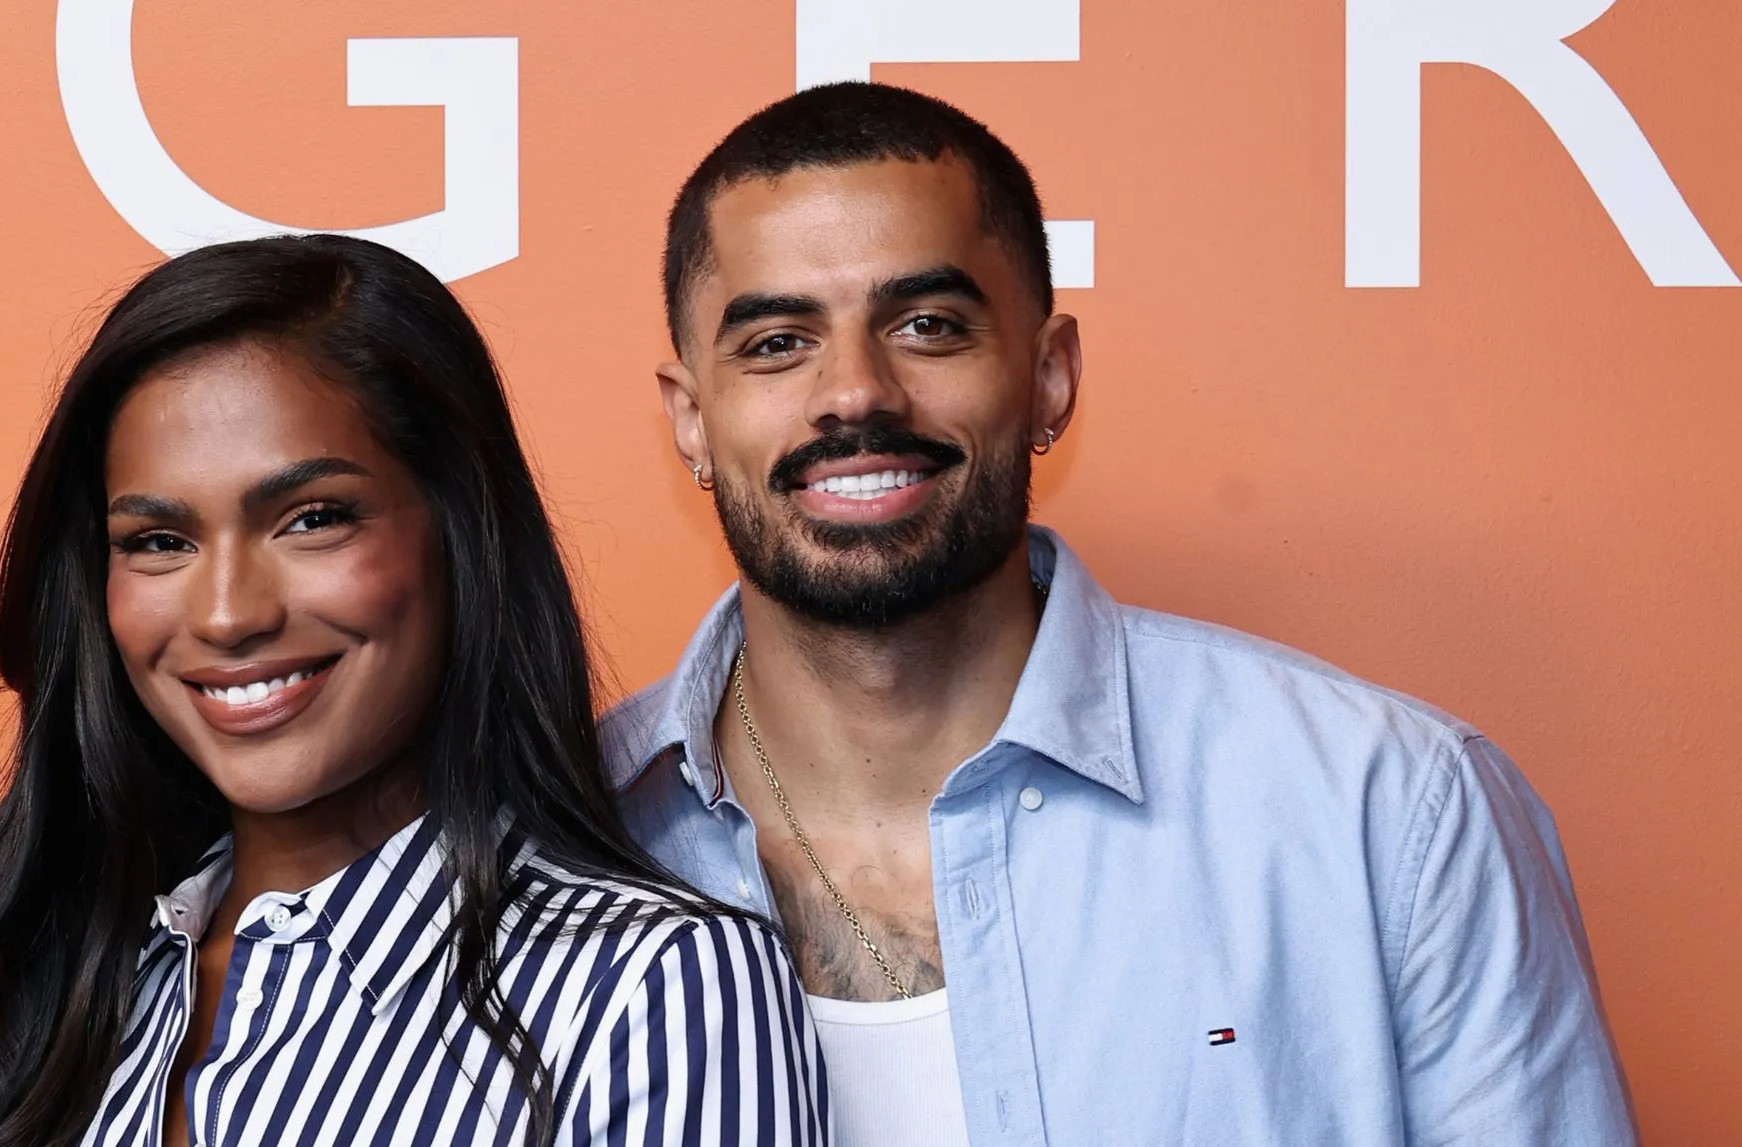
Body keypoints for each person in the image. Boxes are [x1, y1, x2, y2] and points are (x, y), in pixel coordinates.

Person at [604, 81, 1636, 1145]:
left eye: (927, 326)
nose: (856, 391)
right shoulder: (560, 840)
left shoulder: (1389, 810)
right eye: (776, 342)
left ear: (1049, 376)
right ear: (691, 419)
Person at [0, 235, 827, 1147]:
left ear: (461, 535)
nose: (227, 614)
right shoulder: (54, 1000)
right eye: (159, 542)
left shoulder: (648, 990)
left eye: (312, 519)